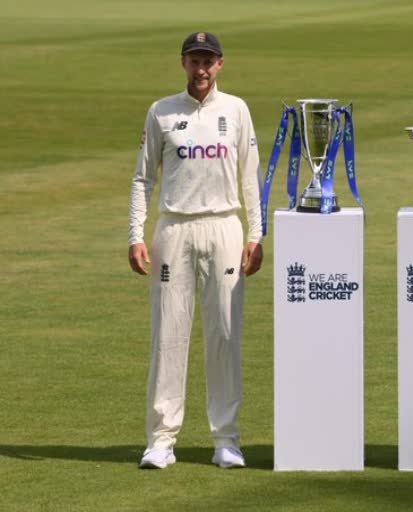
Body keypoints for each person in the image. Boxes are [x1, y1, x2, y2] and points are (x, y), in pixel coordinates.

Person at [128, 31, 264, 469]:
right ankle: (162, 440)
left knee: (224, 334)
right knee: (169, 335)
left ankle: (226, 439)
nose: (201, 69)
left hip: (224, 226)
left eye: (208, 61)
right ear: (183, 63)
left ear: (220, 64)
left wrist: (256, 235)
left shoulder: (236, 110)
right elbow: (142, 178)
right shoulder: (162, 111)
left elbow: (250, 177)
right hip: (174, 228)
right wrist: (135, 234)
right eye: (194, 61)